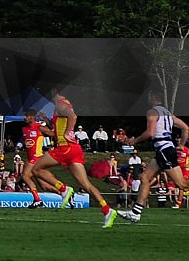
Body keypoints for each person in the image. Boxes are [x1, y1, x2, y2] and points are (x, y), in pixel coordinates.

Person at [31, 90, 117, 228]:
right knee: (86, 184)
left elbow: (73, 117)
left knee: (36, 169)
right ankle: (107, 210)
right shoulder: (61, 105)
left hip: (65, 148)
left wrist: (67, 132)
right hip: (74, 149)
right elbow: (57, 129)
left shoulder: (60, 104)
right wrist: (47, 121)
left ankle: (63, 189)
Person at [119, 92, 189, 224]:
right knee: (144, 178)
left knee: (182, 185)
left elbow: (150, 133)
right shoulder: (168, 114)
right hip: (164, 150)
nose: (148, 99)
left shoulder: (152, 112)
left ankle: (135, 212)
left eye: (149, 97)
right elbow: (186, 128)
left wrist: (135, 140)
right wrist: (181, 145)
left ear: (154, 98)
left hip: (164, 150)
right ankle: (135, 213)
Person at [21, 110, 55, 209]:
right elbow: (25, 140)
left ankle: (37, 200)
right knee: (45, 186)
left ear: (32, 117)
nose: (25, 118)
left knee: (25, 175)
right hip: (31, 158)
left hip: (37, 157)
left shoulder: (39, 127)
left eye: (27, 116)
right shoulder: (24, 129)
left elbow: (53, 134)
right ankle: (65, 191)